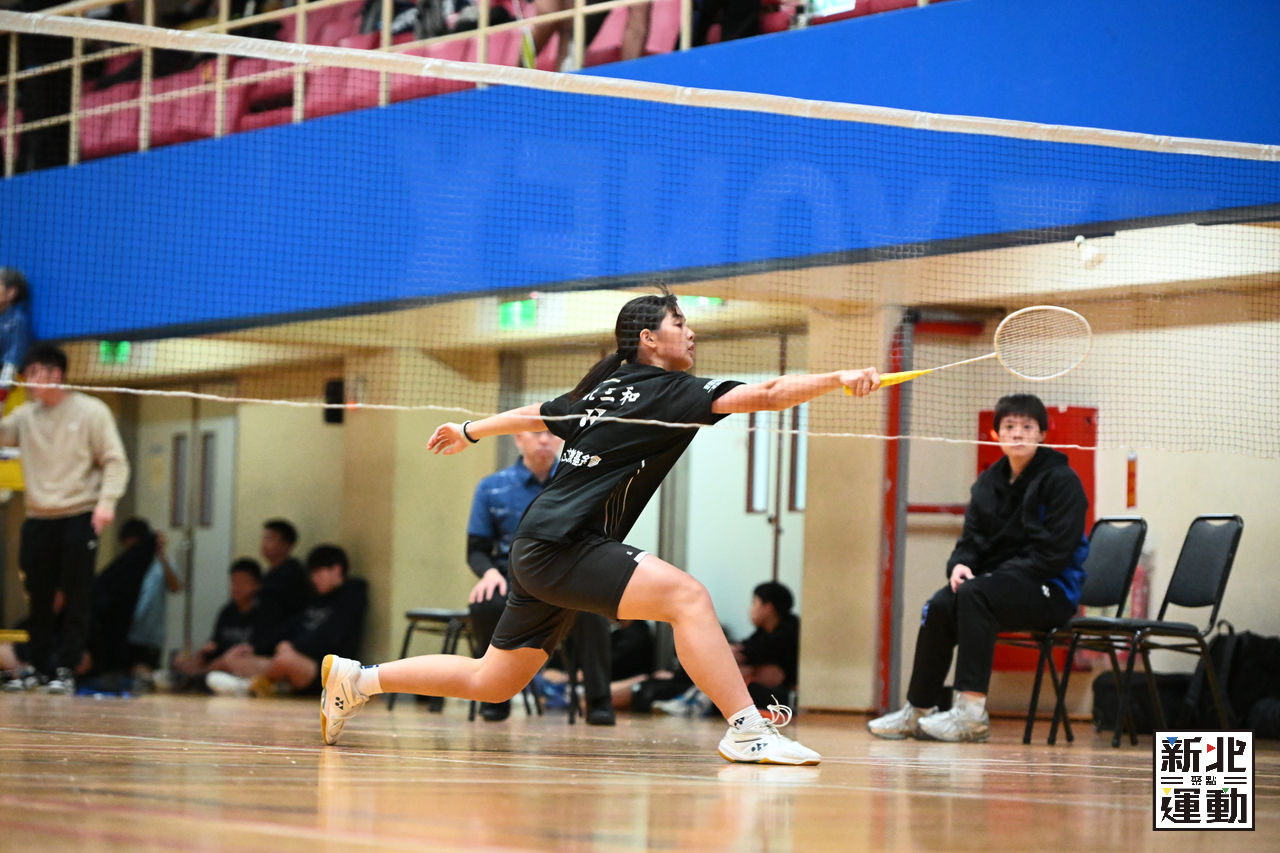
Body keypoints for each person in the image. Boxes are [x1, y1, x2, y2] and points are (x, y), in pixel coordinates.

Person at [319, 287, 880, 764]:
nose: (691, 333)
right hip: (563, 545)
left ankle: (358, 679)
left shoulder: (601, 391)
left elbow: (537, 413)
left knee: (493, 680)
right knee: (687, 597)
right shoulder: (672, 391)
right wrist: (839, 378)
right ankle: (748, 730)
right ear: (648, 339)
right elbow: (770, 394)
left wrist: (471, 430)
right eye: (679, 323)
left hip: (540, 546)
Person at [868, 393, 1089, 743]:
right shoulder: (988, 483)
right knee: (941, 604)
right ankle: (918, 709)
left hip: (1052, 590)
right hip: (997, 586)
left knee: (975, 594)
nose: (1018, 433)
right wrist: (960, 566)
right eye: (1010, 426)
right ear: (996, 434)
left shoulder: (1062, 481)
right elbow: (971, 541)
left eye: (1027, 427)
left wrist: (992, 580)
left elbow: (1055, 553)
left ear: (1042, 434)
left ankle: (971, 715)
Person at [0, 342, 130, 693]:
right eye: (26, 374)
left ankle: (67, 669)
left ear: (56, 374)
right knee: (39, 598)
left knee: (76, 596)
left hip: (79, 515)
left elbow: (115, 460)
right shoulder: (25, 415)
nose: (28, 381)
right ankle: (38, 667)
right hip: (38, 518)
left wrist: (106, 503)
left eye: (35, 373)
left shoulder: (92, 411)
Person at [466, 429, 616, 725]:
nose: (544, 440)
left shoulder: (579, 482)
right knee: (485, 604)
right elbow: (476, 549)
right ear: (518, 439)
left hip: (566, 580)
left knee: (594, 611)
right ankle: (494, 696)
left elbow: (596, 537)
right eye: (536, 433)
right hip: (511, 580)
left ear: (561, 440)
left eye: (551, 434)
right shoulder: (491, 487)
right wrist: (489, 573)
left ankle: (599, 701)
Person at [209, 544, 367, 697]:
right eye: (312, 574)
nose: (314, 579)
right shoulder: (316, 599)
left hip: (328, 671)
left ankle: (247, 687)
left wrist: (293, 648)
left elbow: (330, 638)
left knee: (286, 660)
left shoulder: (352, 596)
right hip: (292, 658)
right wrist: (254, 647)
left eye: (318, 573)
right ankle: (271, 686)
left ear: (337, 569)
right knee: (237, 659)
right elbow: (289, 626)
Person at [86, 517, 180, 679]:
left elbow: (175, 586)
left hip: (150, 636)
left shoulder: (159, 565)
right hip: (126, 634)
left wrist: (161, 554)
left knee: (146, 677)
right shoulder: (123, 568)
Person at [170, 558, 266, 688]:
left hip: (242, 664)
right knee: (180, 659)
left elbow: (263, 647)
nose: (237, 587)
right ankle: (196, 677)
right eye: (234, 581)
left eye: (244, 582)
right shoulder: (227, 611)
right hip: (220, 661)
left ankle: (196, 678)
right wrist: (205, 651)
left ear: (257, 585)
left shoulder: (264, 613)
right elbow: (215, 643)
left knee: (229, 661)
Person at [733, 581, 800, 710]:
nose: (751, 609)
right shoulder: (763, 632)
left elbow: (754, 652)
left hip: (786, 695)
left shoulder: (791, 631)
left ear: (768, 607)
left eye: (754, 603)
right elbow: (746, 648)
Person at [255, 518, 310, 653]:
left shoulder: (293, 574)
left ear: (286, 545)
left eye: (270, 539)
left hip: (282, 643)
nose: (264, 544)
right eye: (264, 539)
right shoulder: (268, 574)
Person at [0, 268, 34, 404]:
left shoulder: (16, 321)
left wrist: (2, 393)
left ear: (11, 292)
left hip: (9, 389)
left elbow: (13, 359)